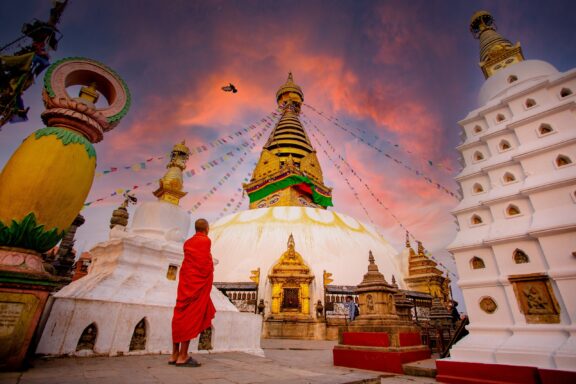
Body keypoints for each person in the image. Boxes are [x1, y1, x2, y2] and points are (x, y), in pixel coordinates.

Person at [170, 218, 216, 367]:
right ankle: (183, 356)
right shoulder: (205, 241)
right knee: (190, 317)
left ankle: (174, 354)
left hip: (185, 284)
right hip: (197, 286)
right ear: (206, 229)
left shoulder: (187, 243)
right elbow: (204, 264)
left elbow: (192, 262)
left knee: (179, 316)